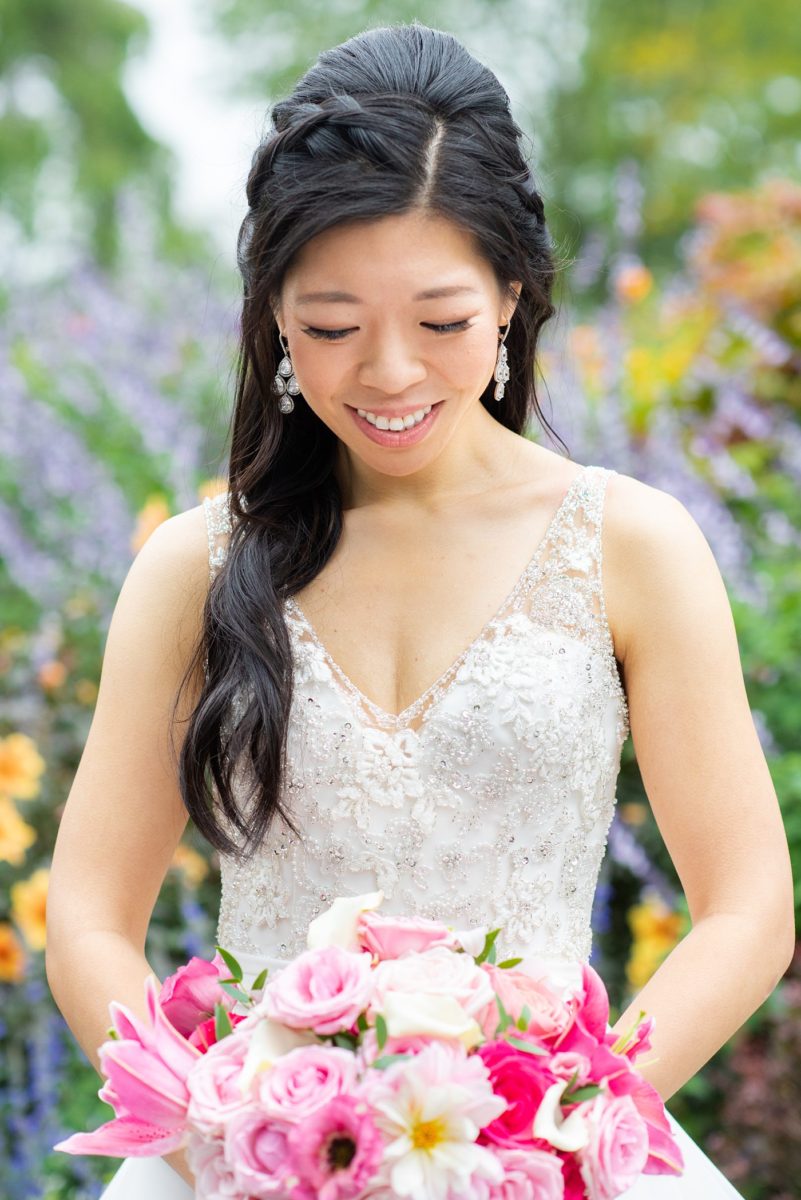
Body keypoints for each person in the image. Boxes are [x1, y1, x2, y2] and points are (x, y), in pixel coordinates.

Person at [45, 21, 794, 1199]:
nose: (390, 373)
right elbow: (88, 910)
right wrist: (213, 1126)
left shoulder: (634, 547)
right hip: (240, 1166)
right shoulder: (192, 567)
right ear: (275, 323)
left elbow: (747, 907)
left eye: (441, 322)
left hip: (547, 1164)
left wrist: (568, 1119)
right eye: (333, 327)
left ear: (509, 298)